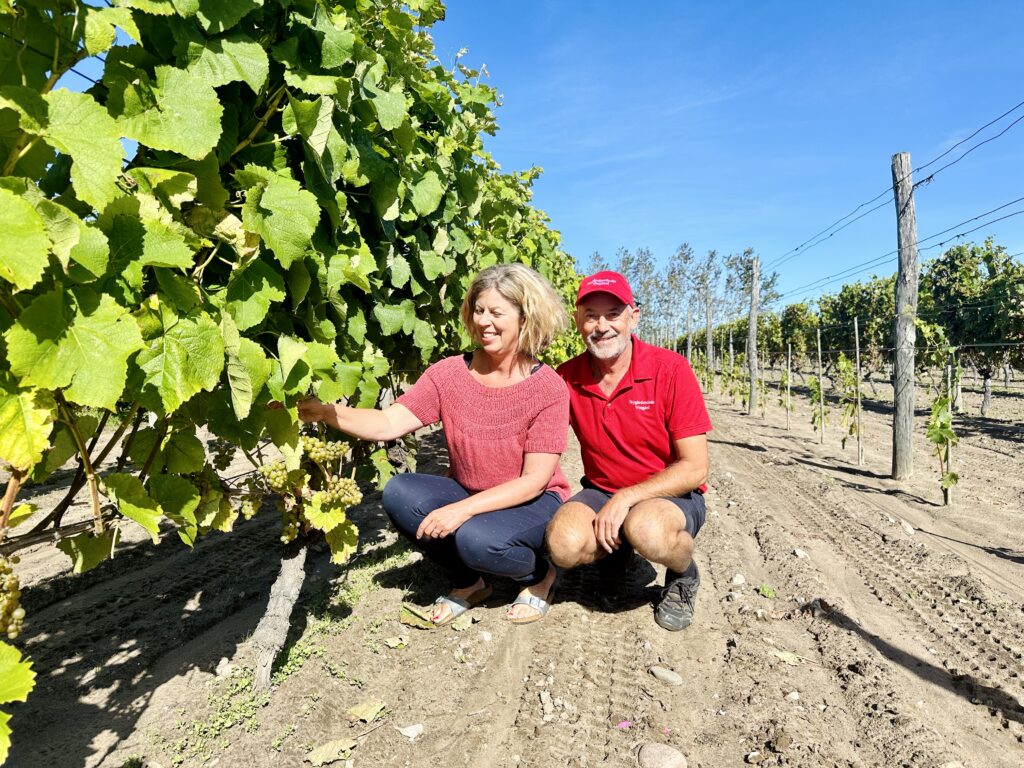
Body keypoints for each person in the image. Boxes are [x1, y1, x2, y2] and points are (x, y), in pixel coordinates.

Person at [296, 264, 570, 625]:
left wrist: (462, 510)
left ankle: (538, 577)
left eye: (497, 313)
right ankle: (470, 583)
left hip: (532, 499)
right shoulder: (449, 375)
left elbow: (533, 480)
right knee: (400, 493)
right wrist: (328, 412)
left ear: (525, 318)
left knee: (477, 539)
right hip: (471, 488)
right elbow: (389, 422)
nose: (484, 321)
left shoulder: (547, 388)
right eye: (479, 310)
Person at [545, 271, 712, 631]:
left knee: (648, 529)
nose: (601, 325)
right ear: (578, 321)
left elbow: (696, 468)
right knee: (562, 544)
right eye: (591, 314)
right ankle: (618, 555)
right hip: (602, 490)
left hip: (670, 495)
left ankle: (684, 575)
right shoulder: (566, 377)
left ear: (633, 317)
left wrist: (625, 498)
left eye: (613, 314)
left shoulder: (670, 370)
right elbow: (538, 438)